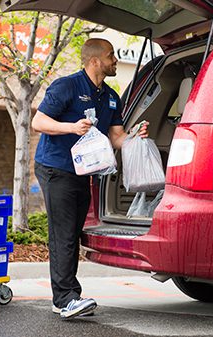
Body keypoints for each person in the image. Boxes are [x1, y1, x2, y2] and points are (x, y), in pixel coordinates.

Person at [32, 38, 149, 320]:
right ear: (95, 61)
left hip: (83, 173)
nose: (115, 61)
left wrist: (135, 138)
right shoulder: (67, 86)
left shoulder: (110, 96)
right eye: (111, 56)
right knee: (64, 234)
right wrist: (71, 127)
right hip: (55, 168)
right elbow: (39, 122)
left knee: (72, 232)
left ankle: (66, 297)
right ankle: (65, 299)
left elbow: (116, 136)